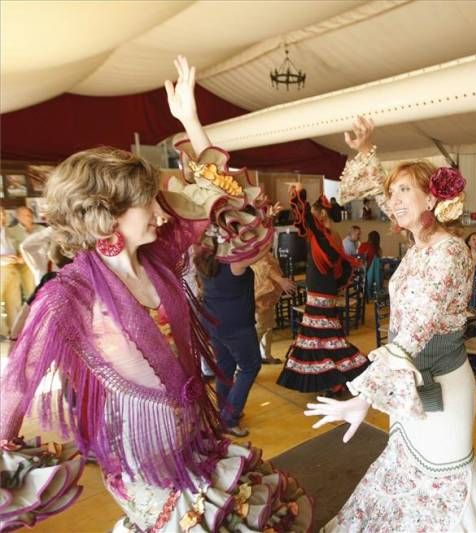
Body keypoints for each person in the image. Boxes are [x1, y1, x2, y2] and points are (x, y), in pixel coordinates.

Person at [0, 55, 311, 532]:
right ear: (109, 213)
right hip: (142, 466)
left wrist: (190, 121)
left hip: (196, 442)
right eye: (146, 200)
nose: (160, 209)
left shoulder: (161, 257)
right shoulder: (70, 294)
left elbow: (230, 206)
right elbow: (17, 383)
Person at [307, 116, 476, 532]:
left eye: (405, 190)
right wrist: (365, 150)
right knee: (407, 476)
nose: (394, 199)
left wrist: (367, 397)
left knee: (445, 480)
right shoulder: (417, 246)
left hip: (441, 384)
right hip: (407, 388)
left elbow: (415, 333)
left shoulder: (451, 252)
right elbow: (367, 189)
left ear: (431, 199)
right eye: (392, 193)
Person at [276, 186, 369, 393]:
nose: (314, 217)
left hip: (320, 289)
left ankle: (335, 378)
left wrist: (299, 195)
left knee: (320, 334)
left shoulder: (323, 235)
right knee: (325, 333)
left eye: (317, 213)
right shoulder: (327, 235)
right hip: (323, 288)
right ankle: (335, 379)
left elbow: (306, 219)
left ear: (322, 214)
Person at [197, 237, 273, 437]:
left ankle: (223, 413)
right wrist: (266, 221)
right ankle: (230, 418)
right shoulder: (234, 263)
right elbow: (264, 247)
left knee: (225, 367)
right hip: (236, 326)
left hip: (213, 323)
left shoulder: (203, 260)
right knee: (250, 367)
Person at [252, 250, 296, 364]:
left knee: (268, 325)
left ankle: (266, 355)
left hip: (268, 293)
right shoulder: (254, 245)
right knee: (260, 327)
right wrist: (281, 281)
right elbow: (264, 266)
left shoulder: (263, 245)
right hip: (261, 292)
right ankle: (245, 362)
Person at [6, 206, 45, 299]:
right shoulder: (11, 231)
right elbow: (12, 250)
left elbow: (48, 245)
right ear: (18, 217)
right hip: (24, 264)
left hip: (42, 262)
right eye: (26, 215)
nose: (29, 217)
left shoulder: (41, 228)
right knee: (32, 292)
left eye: (30, 214)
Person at [0, 207, 24, 337]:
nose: (2, 217)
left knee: (14, 302)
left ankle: (15, 333)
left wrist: (20, 257)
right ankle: (1, 333)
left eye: (3, 213)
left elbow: (19, 248)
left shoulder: (9, 231)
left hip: (13, 269)